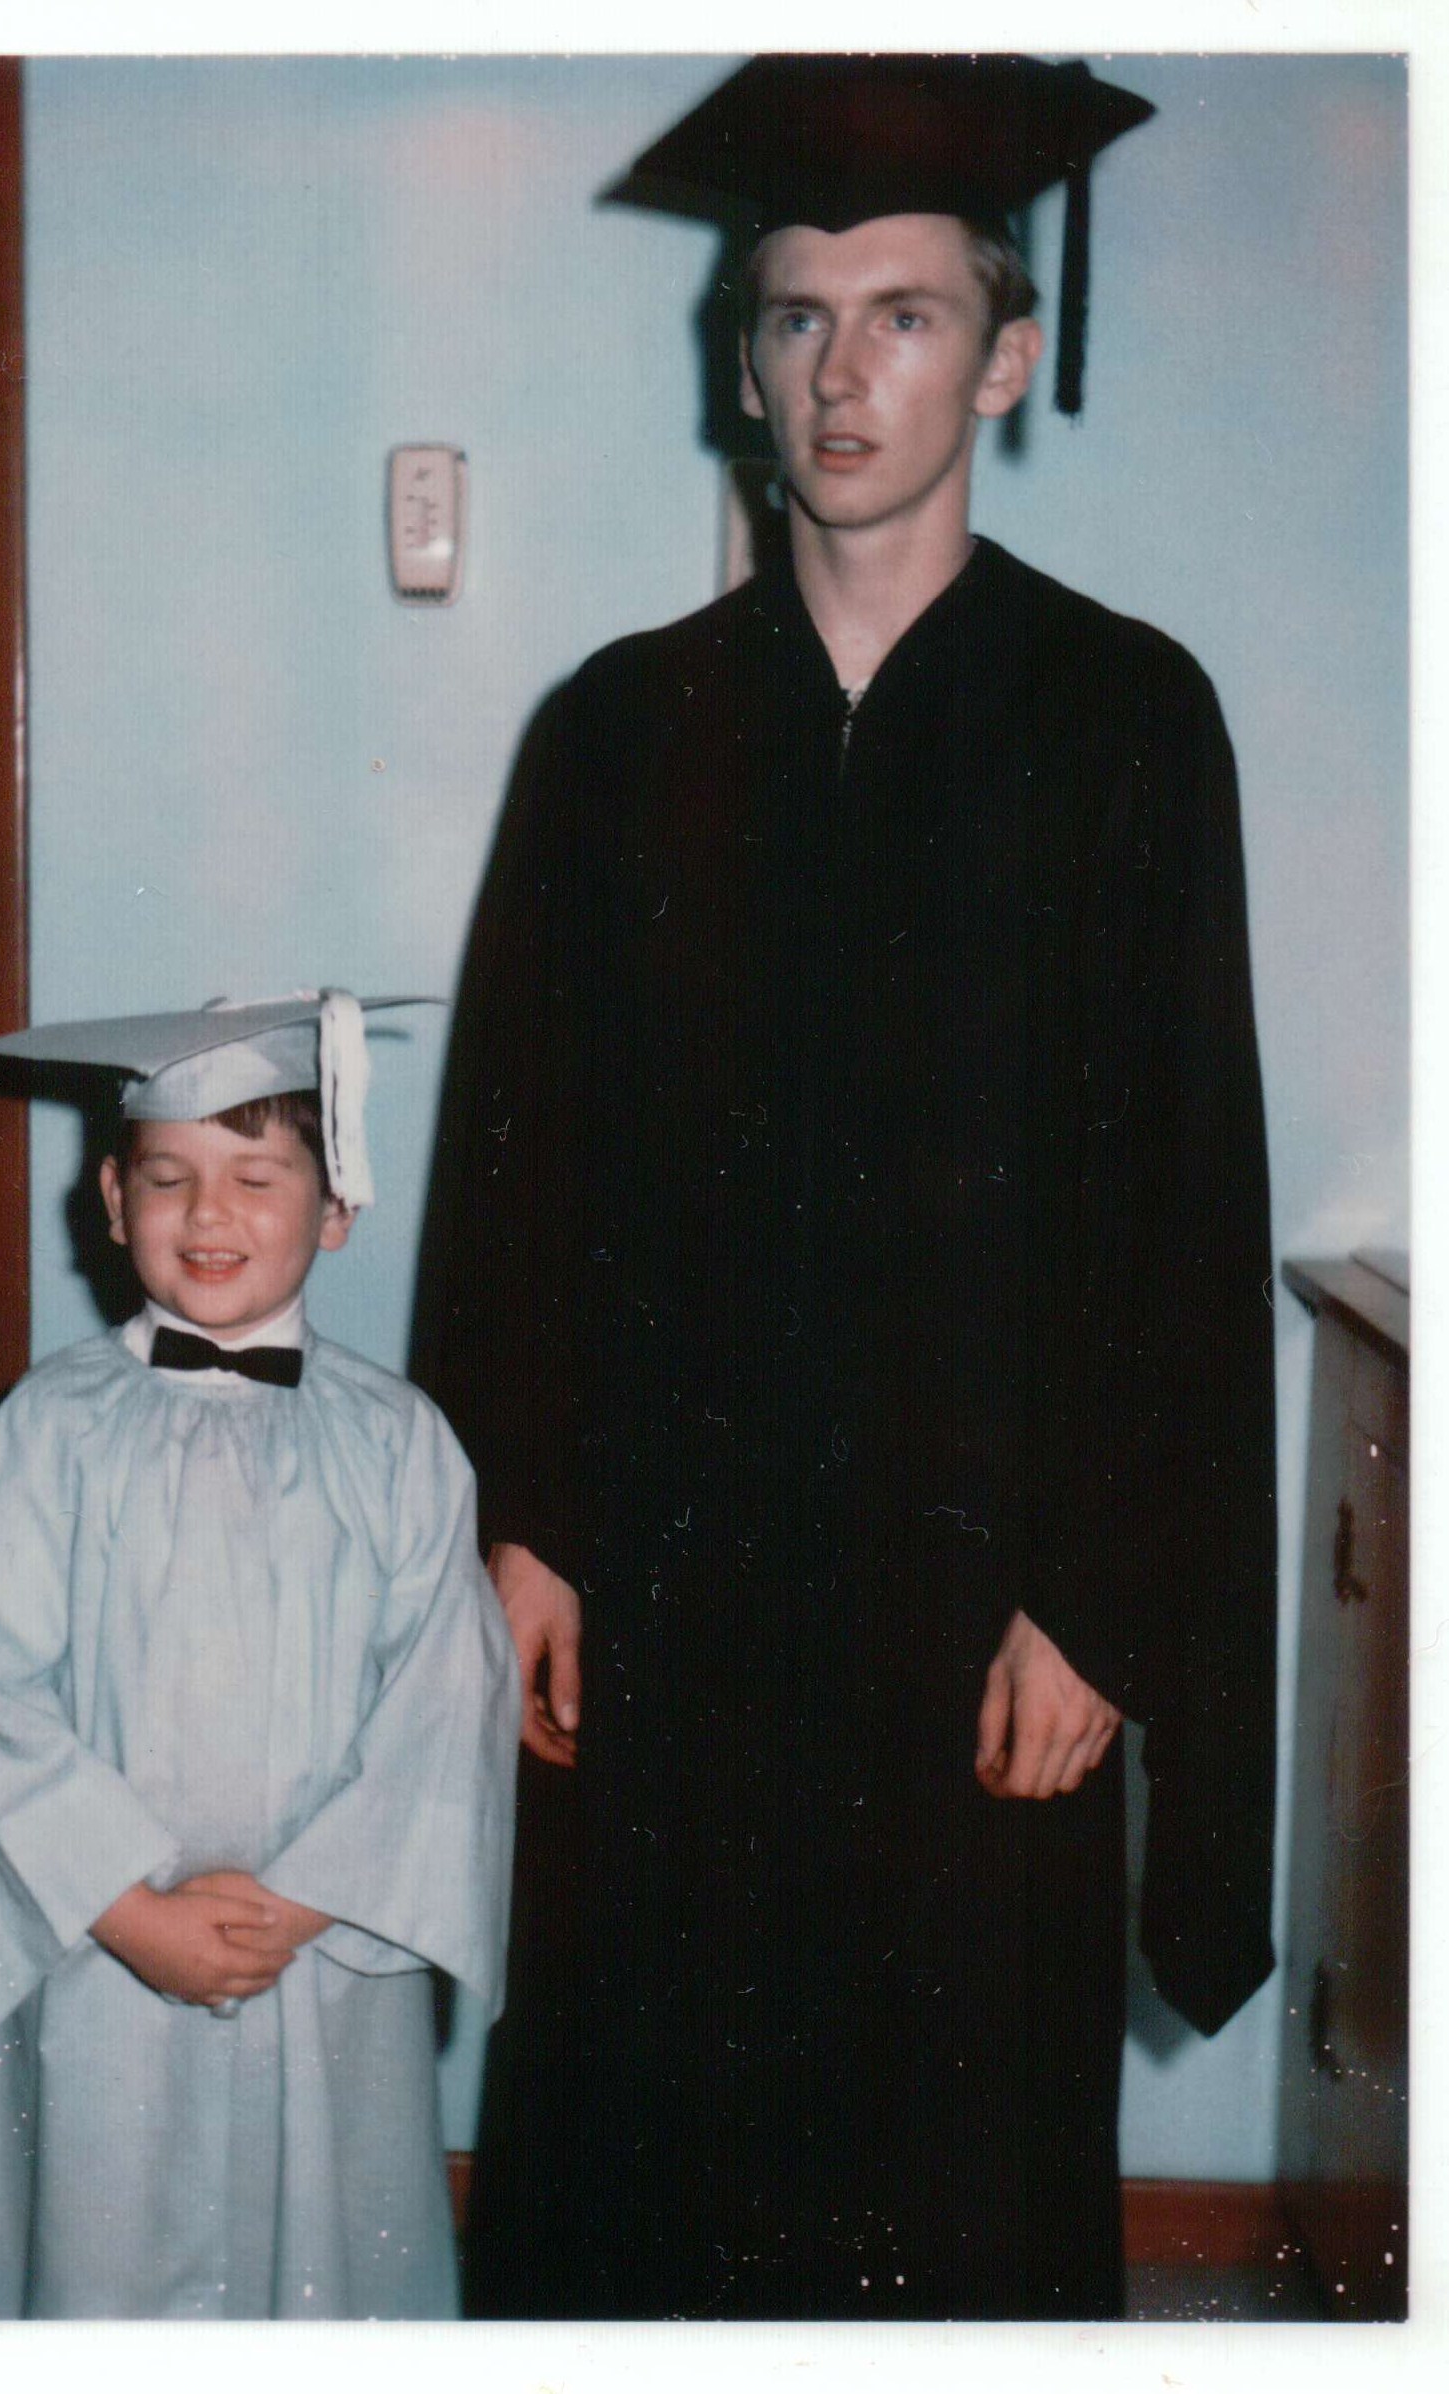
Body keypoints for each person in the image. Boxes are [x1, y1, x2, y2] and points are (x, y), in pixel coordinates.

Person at [412, 55, 1277, 2321]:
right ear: (741, 364)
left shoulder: (1121, 717)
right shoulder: (621, 729)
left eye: (901, 316)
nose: (838, 371)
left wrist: (1104, 1598)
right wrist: (523, 1523)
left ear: (999, 356)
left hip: (981, 1590)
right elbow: (521, 1158)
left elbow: (1182, 1200)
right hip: (673, 1580)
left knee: (951, 2155)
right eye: (793, 316)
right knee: (646, 2135)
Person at [0, 991, 520, 2319]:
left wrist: (307, 1901)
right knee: (103, 2240)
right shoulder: (45, 1431)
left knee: (328, 2247)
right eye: (169, 1177)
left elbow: (444, 1697)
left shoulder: (400, 1441)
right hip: (100, 1944)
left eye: (256, 1176)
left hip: (323, 1948)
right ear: (112, 1202)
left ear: (335, 1207)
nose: (208, 1214)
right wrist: (132, 1912)